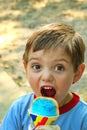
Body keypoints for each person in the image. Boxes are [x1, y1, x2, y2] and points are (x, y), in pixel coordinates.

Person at [1, 23, 87, 130]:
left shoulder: (83, 118)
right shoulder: (19, 110)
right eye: (37, 66)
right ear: (26, 69)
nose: (46, 77)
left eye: (59, 68)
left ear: (77, 73)